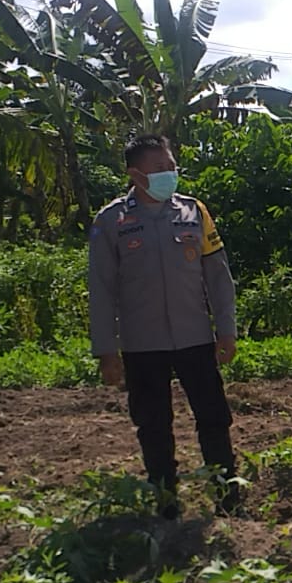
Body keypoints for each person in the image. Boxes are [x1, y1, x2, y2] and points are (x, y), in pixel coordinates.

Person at [89, 133, 240, 519]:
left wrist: (226, 330)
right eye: (159, 168)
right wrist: (107, 351)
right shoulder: (111, 222)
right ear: (136, 175)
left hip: (195, 338)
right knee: (154, 425)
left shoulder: (195, 212)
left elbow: (218, 278)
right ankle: (166, 502)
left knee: (214, 417)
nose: (169, 173)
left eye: (171, 166)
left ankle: (227, 498)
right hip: (143, 345)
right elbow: (102, 291)